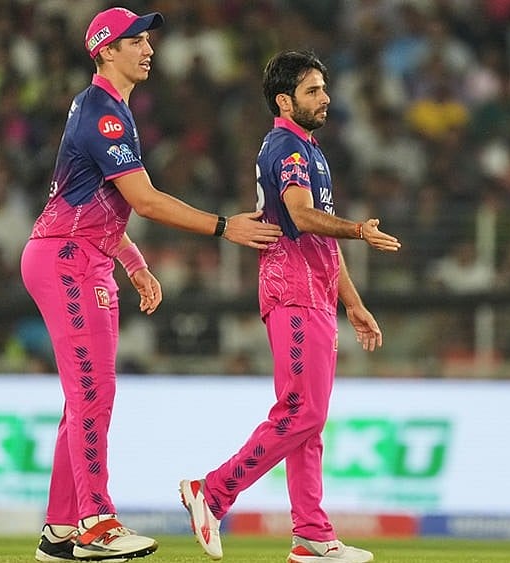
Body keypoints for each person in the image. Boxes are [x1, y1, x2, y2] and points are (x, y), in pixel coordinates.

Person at [21, 7, 282, 562]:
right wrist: (223, 226)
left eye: (147, 40)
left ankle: (61, 529)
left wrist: (133, 261)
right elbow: (143, 200)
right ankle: (96, 523)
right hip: (68, 258)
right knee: (92, 394)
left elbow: (94, 200)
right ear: (105, 50)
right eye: (135, 40)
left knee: (82, 399)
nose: (148, 49)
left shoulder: (107, 108)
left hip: (81, 255)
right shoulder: (105, 115)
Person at [178, 50, 400, 563]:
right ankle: (213, 491)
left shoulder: (307, 148)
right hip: (294, 290)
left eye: (323, 88)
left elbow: (321, 236)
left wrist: (353, 303)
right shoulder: (288, 149)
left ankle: (312, 535)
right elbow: (302, 216)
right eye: (313, 91)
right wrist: (359, 230)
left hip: (314, 292)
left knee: (308, 422)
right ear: (284, 101)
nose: (326, 98)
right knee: (303, 412)